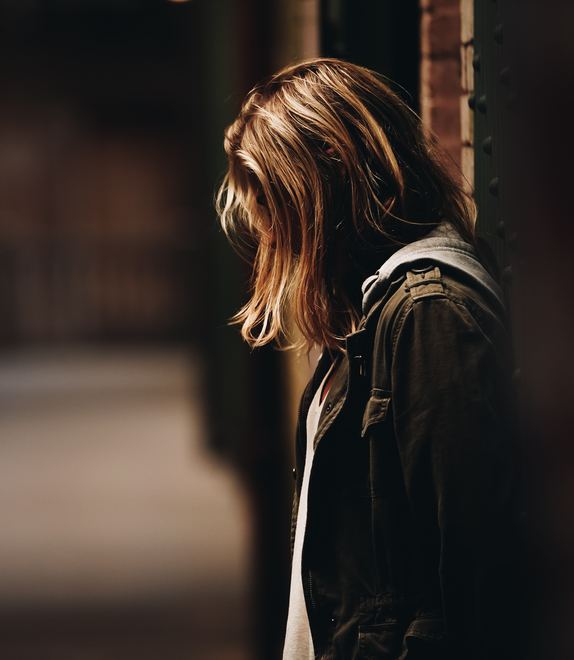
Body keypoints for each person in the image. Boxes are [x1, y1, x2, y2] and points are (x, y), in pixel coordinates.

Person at [216, 58, 528, 659]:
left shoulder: (427, 314)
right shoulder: (375, 310)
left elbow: (472, 578)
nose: (270, 233)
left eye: (275, 203)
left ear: (328, 172)